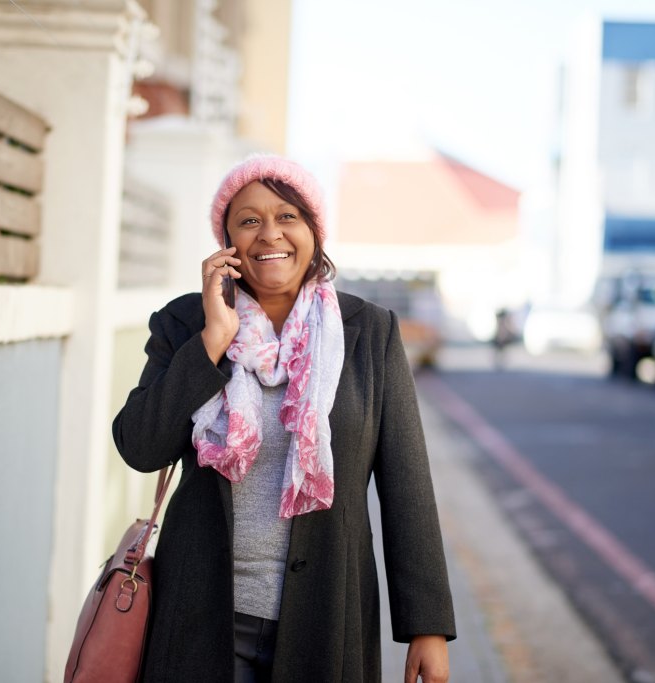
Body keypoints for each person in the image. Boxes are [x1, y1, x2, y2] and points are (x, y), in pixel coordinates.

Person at [112, 155, 456, 682]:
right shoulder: (185, 323)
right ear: (226, 240)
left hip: (327, 619)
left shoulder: (369, 333)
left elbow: (406, 485)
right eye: (248, 220)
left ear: (314, 231)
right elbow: (140, 447)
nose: (269, 233)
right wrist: (211, 342)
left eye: (287, 216)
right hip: (200, 623)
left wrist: (426, 626)